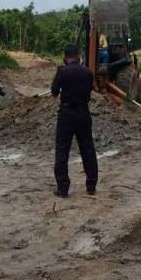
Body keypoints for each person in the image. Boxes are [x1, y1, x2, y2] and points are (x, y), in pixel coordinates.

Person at [51, 44, 98, 198]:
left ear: (65, 57)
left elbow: (53, 91)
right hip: (84, 112)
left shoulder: (62, 71)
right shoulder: (88, 72)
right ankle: (91, 185)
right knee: (88, 149)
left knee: (62, 150)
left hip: (67, 113)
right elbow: (92, 89)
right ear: (78, 56)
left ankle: (63, 188)